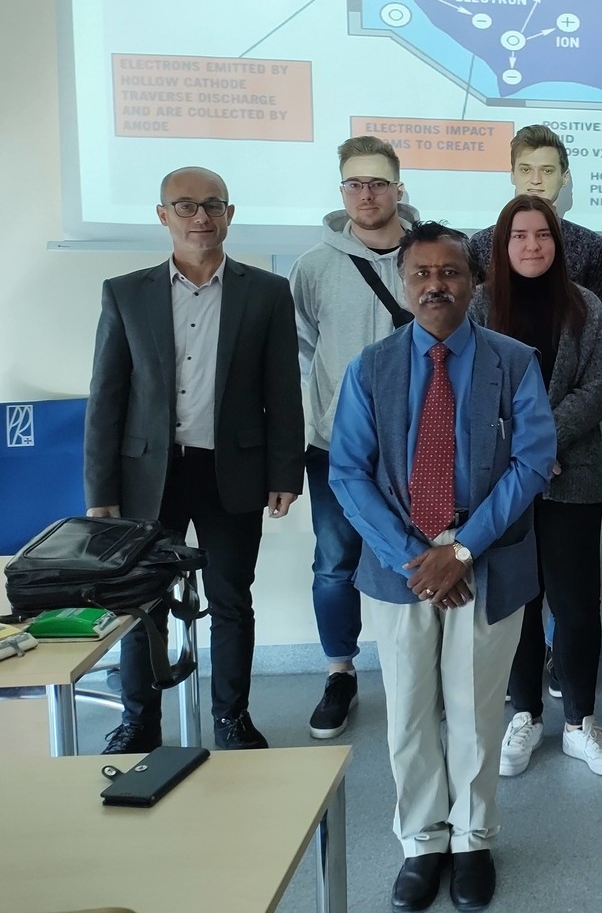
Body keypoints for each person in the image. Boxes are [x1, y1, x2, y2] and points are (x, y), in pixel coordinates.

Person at [330, 221, 556, 913]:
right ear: (403, 283)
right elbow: (348, 470)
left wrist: (460, 551)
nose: (436, 285)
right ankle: (422, 841)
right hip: (399, 564)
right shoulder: (371, 367)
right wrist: (418, 560)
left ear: (474, 281)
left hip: (487, 558)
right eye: (422, 273)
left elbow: (533, 462)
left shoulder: (513, 362)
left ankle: (472, 839)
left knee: (476, 711)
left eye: (451, 272)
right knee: (407, 713)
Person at [85, 167, 303, 754]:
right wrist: (101, 490)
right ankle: (139, 722)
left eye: (212, 205)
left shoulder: (266, 291)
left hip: (231, 471)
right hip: (147, 476)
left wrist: (285, 472)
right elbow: (106, 398)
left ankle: (231, 718)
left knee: (231, 600)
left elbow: (283, 389)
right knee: (142, 603)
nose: (200, 217)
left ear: (230, 214)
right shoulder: (125, 293)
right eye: (185, 206)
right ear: (163, 216)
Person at [470, 195, 602, 781]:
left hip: (572, 475)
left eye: (542, 235)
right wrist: (524, 454)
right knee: (518, 602)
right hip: (502, 481)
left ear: (557, 244)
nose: (532, 245)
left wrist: (538, 445)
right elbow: (472, 389)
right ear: (501, 244)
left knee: (575, 603)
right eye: (519, 235)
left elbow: (597, 388)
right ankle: (525, 715)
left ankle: (581, 721)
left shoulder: (586, 306)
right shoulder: (481, 305)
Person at [289, 135, 419, 740]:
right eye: (355, 184)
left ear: (398, 188)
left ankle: (422, 674)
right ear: (342, 190)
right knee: (335, 563)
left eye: (378, 183)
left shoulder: (430, 254)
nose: (367, 195)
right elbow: (302, 350)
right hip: (336, 447)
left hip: (420, 446)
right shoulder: (314, 266)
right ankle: (340, 673)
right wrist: (330, 411)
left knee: (421, 555)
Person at [468, 123, 602, 308]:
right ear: (512, 175)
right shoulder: (480, 244)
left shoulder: (593, 248)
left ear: (564, 177)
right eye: (526, 170)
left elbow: (600, 319)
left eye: (547, 171)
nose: (536, 180)